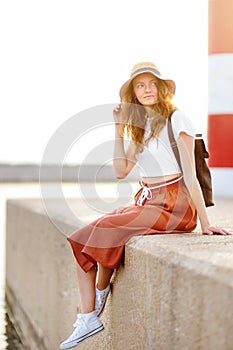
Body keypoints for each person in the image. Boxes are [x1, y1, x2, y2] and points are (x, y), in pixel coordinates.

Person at [60, 61, 232, 349]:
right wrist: (118, 129)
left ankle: (95, 302)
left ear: (162, 87)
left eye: (152, 84)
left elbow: (190, 174)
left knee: (105, 227)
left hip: (176, 206)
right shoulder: (139, 127)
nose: (147, 89)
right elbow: (120, 171)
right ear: (133, 93)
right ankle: (90, 314)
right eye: (140, 86)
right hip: (149, 202)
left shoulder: (178, 119)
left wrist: (205, 223)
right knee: (81, 237)